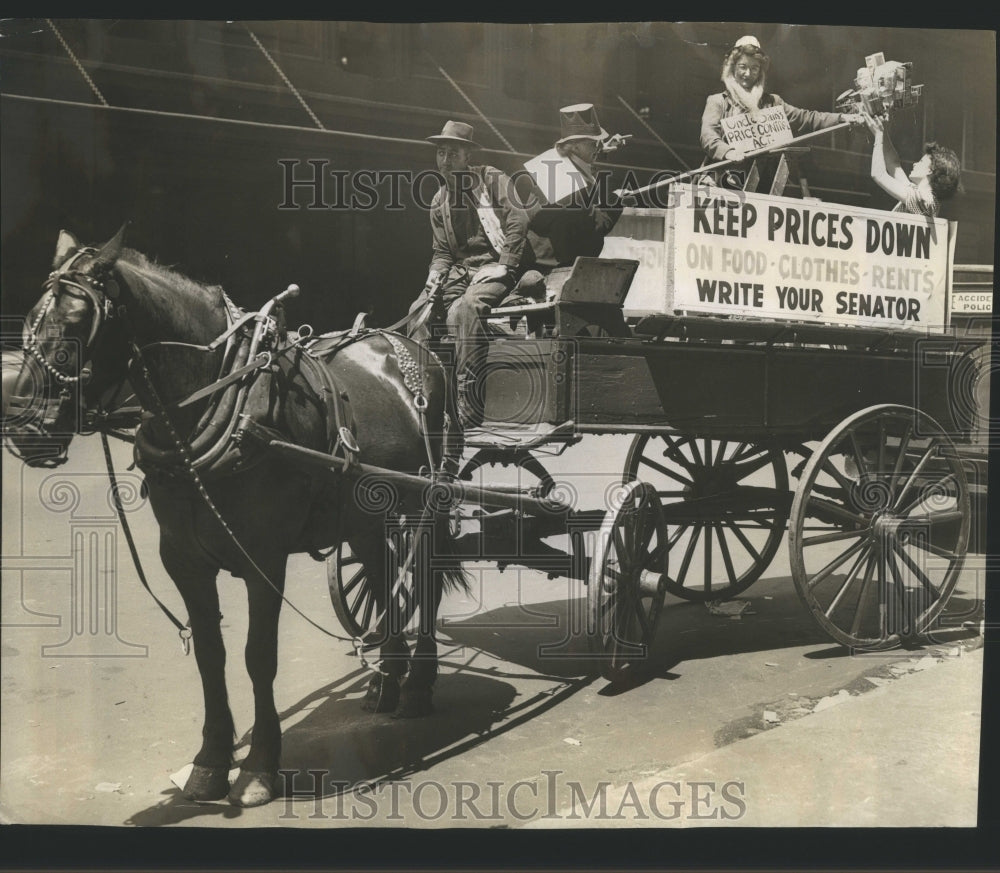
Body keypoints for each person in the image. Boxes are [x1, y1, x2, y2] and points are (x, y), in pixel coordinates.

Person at [407, 120, 531, 429]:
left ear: (467, 157)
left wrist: (505, 263)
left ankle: (469, 399)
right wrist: (434, 275)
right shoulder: (439, 200)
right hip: (460, 272)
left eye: (453, 153)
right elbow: (443, 252)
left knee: (465, 309)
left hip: (498, 269)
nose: (445, 161)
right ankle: (421, 393)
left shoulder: (492, 180)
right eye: (441, 153)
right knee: (418, 312)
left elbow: (519, 219)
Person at [700, 35, 864, 187]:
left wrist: (842, 118)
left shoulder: (773, 103)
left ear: (760, 72)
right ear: (732, 68)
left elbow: (807, 118)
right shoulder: (717, 101)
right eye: (742, 66)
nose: (748, 74)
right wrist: (728, 152)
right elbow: (708, 136)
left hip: (761, 185)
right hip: (721, 182)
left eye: (754, 68)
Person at [519, 103, 626, 278]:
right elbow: (596, 226)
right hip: (550, 267)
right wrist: (616, 200)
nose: (598, 146)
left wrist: (601, 148)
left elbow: (581, 159)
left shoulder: (554, 161)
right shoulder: (573, 185)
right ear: (574, 147)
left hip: (534, 256)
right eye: (594, 143)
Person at [863, 111, 961, 216]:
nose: (915, 164)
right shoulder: (920, 195)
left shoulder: (926, 202)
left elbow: (879, 174)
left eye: (921, 161)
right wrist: (882, 130)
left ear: (930, 170)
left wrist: (879, 135)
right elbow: (893, 163)